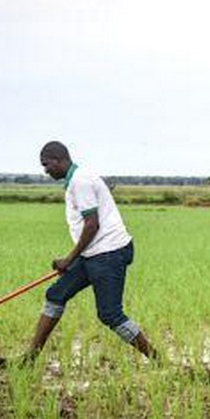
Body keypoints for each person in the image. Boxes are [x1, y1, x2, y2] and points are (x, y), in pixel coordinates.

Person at [22, 141, 160, 364]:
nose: (45, 170)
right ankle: (29, 359)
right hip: (93, 253)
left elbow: (91, 224)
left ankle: (158, 360)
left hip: (108, 253)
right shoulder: (77, 180)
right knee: (56, 295)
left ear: (58, 159)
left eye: (46, 165)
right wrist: (75, 259)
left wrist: (69, 259)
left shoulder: (80, 182)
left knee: (110, 314)